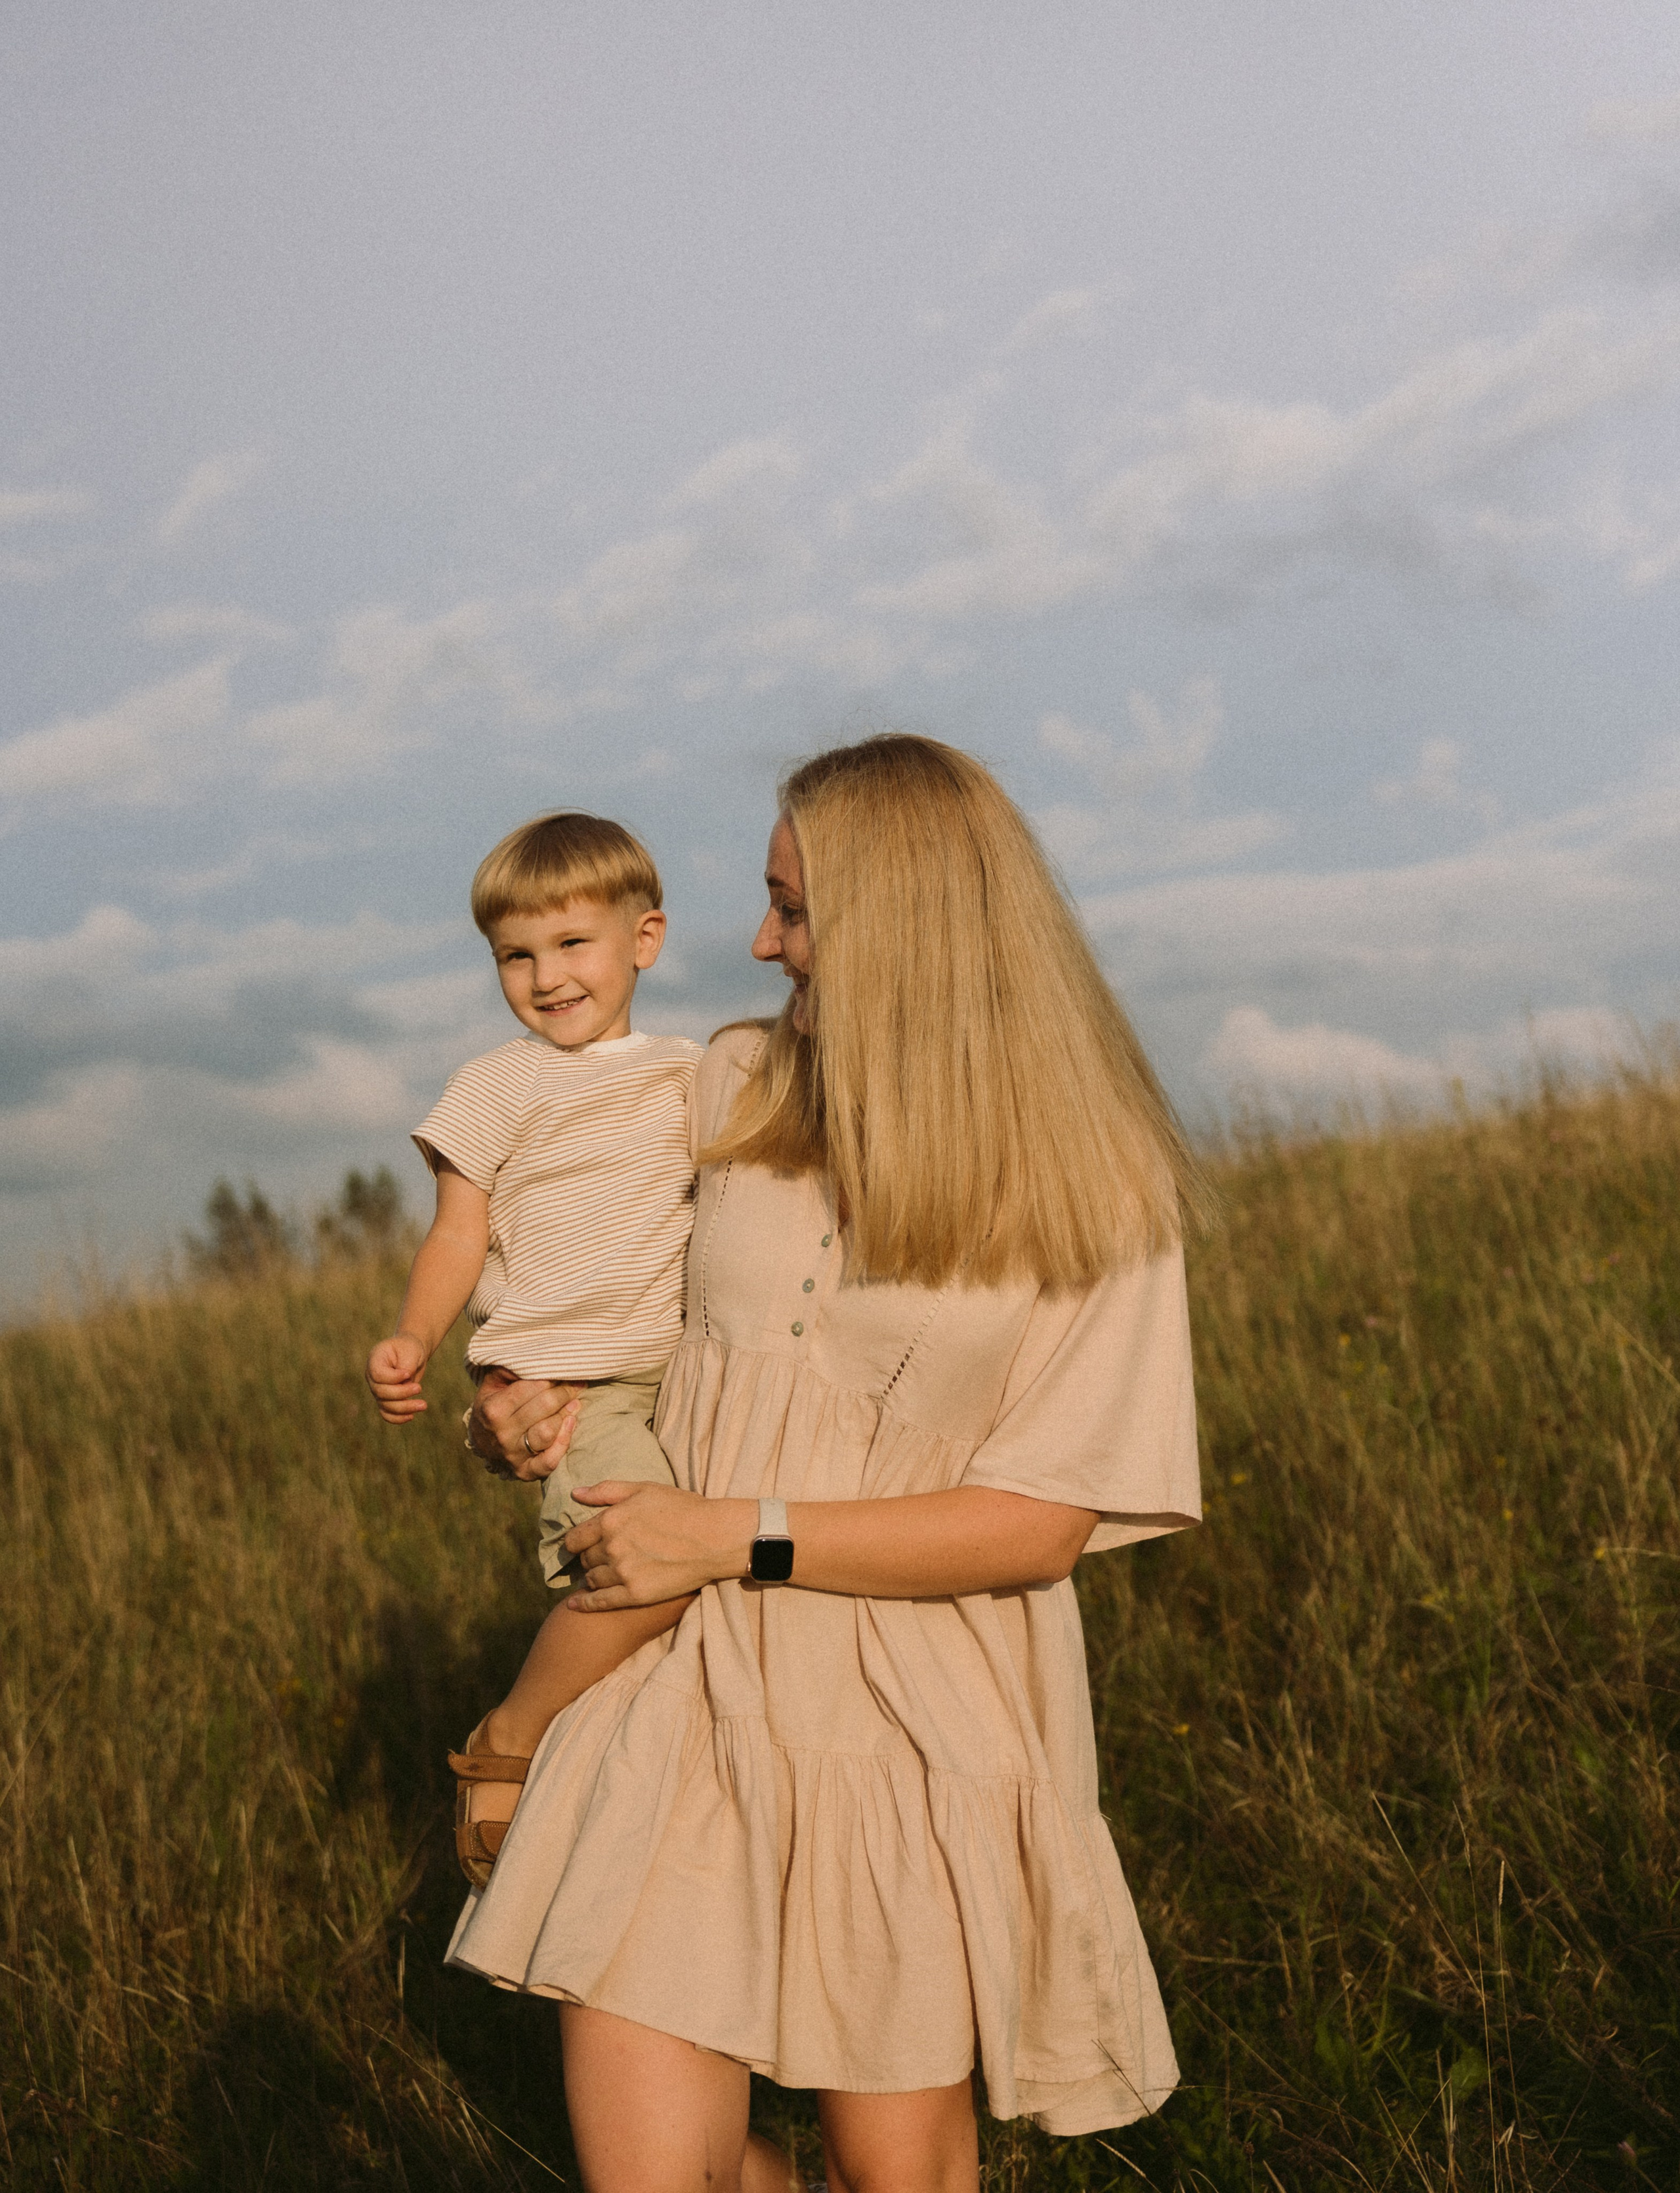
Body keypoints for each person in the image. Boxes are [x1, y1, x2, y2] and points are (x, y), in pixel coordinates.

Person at [455, 736, 1209, 2193]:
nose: (757, 942)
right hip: (676, 1682)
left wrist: (737, 1531)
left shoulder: (1099, 1190)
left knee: (896, 2170)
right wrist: (520, 1391)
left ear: (905, 919)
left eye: (792, 909)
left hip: (913, 1727)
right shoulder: (728, 1082)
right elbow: (581, 1281)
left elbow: (1039, 1524)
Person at [366, 810, 703, 1885]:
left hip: (686, 1373)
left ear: (642, 940)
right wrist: (415, 1337)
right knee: (654, 1570)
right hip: (572, 1385)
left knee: (703, 1596)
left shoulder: (692, 1073)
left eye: (572, 944)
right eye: (516, 954)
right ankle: (511, 1734)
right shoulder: (497, 1085)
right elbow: (458, 1230)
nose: (546, 976)